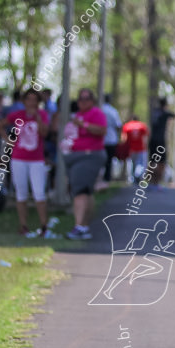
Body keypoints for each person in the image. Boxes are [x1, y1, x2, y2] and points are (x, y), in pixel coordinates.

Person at [0, 88, 50, 237]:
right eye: (29, 99)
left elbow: (44, 133)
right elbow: (0, 125)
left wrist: (38, 118)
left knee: (39, 193)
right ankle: (23, 225)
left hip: (36, 160)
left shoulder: (43, 115)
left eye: (35, 100)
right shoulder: (17, 116)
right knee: (21, 193)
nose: (31, 103)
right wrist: (8, 140)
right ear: (24, 101)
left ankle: (44, 226)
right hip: (18, 158)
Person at [63, 88, 107, 240]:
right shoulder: (77, 115)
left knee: (80, 191)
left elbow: (102, 130)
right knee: (86, 192)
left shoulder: (96, 113)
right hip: (75, 156)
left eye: (86, 98)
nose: (83, 101)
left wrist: (84, 125)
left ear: (92, 101)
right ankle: (84, 226)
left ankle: (79, 226)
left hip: (89, 156)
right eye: (80, 99)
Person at [148, 98, 175, 186]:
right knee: (161, 163)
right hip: (160, 141)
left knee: (152, 162)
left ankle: (150, 183)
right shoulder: (165, 113)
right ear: (165, 105)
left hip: (152, 140)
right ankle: (156, 183)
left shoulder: (154, 112)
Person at [100, 93, 123, 182]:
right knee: (109, 162)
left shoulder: (99, 109)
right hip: (111, 140)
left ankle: (101, 180)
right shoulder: (113, 111)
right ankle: (106, 180)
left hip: (101, 139)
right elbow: (118, 125)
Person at [121, 116, 149, 183]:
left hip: (130, 149)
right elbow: (145, 137)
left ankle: (131, 178)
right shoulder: (142, 126)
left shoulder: (127, 126)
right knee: (140, 164)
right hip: (141, 148)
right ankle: (138, 175)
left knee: (130, 163)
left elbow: (124, 138)